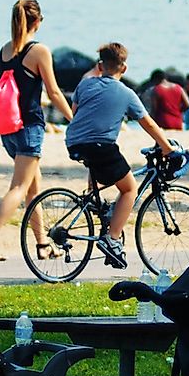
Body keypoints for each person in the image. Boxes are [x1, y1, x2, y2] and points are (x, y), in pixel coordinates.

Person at [0, 0, 75, 261]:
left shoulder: (4, 51)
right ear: (38, 21)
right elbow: (54, 92)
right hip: (28, 128)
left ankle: (42, 244)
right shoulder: (39, 51)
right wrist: (75, 120)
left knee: (32, 189)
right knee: (18, 187)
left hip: (7, 131)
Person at [63, 43, 174, 269]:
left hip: (74, 141)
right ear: (124, 68)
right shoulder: (126, 93)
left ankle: (95, 202)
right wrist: (167, 148)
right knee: (129, 188)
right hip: (100, 145)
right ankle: (112, 240)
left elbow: (76, 112)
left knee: (100, 166)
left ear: (100, 65)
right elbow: (149, 124)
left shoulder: (85, 84)